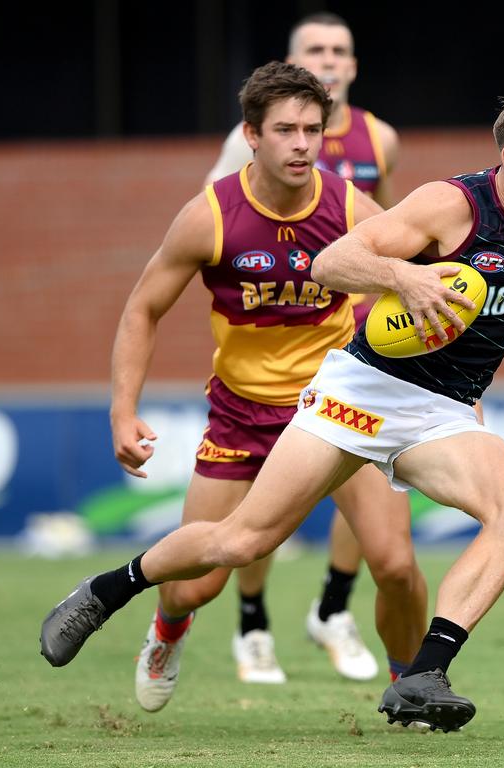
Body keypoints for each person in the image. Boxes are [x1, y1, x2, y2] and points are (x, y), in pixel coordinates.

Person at [40, 80, 504, 732]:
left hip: (441, 410)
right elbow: (330, 264)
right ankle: (108, 589)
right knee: (240, 543)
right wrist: (403, 281)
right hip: (359, 394)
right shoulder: (450, 206)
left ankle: (423, 674)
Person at [99, 62, 426, 713]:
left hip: (340, 409)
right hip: (243, 418)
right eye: (285, 129)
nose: (303, 143)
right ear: (251, 134)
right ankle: (168, 630)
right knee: (194, 586)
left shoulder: (351, 207)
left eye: (313, 128)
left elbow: (422, 282)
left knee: (394, 565)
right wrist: (123, 410)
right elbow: (142, 309)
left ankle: (410, 685)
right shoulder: (209, 217)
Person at [205, 11, 401, 681]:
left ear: (353, 66)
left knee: (369, 479)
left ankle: (334, 607)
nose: (328, 59)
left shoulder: (380, 139)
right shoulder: (252, 141)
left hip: (347, 349)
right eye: (314, 49)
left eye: (339, 50)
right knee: (263, 504)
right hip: (266, 345)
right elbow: (220, 220)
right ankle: (252, 620)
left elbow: (392, 232)